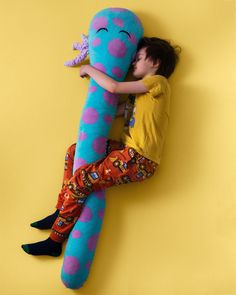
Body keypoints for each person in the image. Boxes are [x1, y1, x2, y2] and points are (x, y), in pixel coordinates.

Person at [21, 37, 180, 256]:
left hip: (139, 159)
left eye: (139, 58)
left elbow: (114, 87)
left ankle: (55, 241)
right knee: (74, 150)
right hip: (127, 153)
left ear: (155, 62)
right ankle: (61, 209)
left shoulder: (158, 82)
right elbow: (111, 110)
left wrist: (89, 68)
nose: (133, 63)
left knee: (82, 179)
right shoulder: (140, 97)